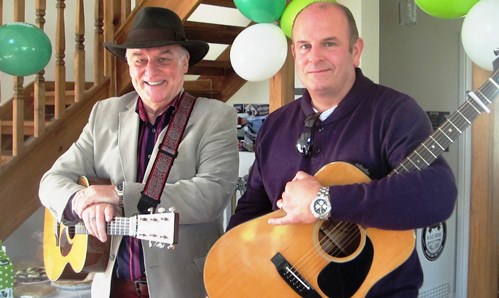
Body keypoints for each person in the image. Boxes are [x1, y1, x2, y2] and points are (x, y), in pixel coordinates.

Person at [227, 2, 457, 297]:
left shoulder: (395, 112)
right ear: (295, 53)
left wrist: (324, 201)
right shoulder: (275, 124)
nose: (315, 57)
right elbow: (252, 208)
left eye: (330, 43)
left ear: (356, 50)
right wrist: (230, 272)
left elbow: (436, 195)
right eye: (305, 46)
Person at [39, 7, 239, 298]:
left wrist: (119, 195)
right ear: (129, 67)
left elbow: (211, 194)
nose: (151, 71)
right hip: (111, 286)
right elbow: (52, 180)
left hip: (180, 286)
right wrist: (82, 201)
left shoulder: (215, 117)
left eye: (163, 59)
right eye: (140, 60)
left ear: (184, 64)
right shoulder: (104, 114)